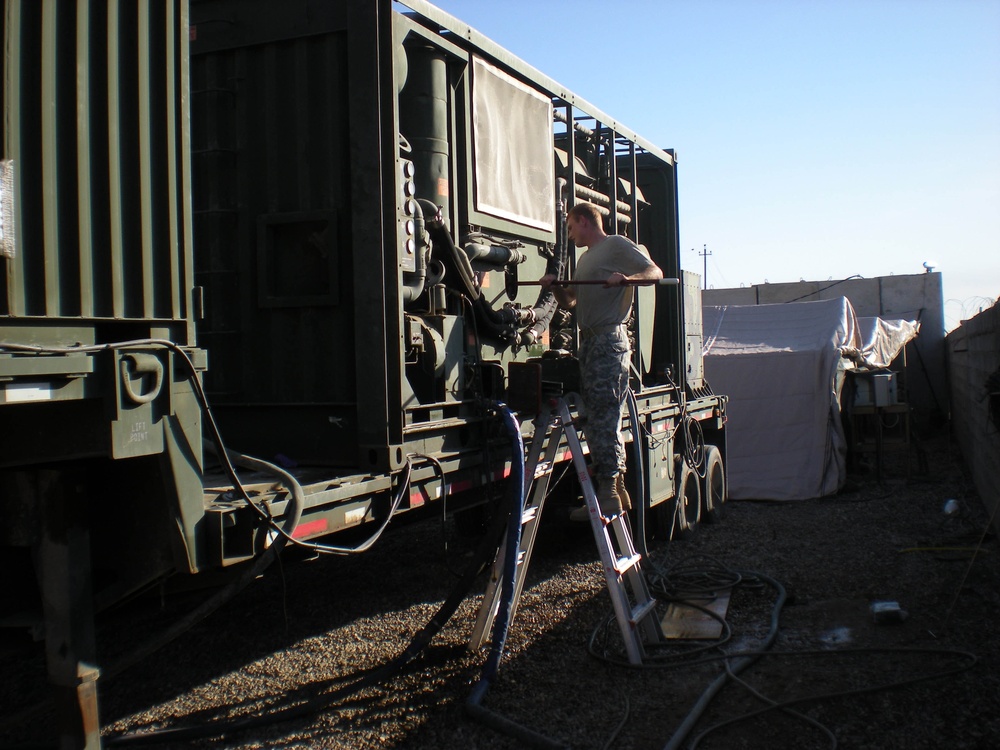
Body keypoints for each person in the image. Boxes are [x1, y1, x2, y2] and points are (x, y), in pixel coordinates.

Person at [540, 202, 663, 519]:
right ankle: (616, 488)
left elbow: (655, 273)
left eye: (570, 227)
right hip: (592, 342)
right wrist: (555, 287)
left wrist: (627, 279)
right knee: (601, 412)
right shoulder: (585, 259)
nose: (570, 234)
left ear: (582, 221)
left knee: (602, 415)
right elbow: (572, 302)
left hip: (609, 341)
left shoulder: (616, 245)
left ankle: (607, 490)